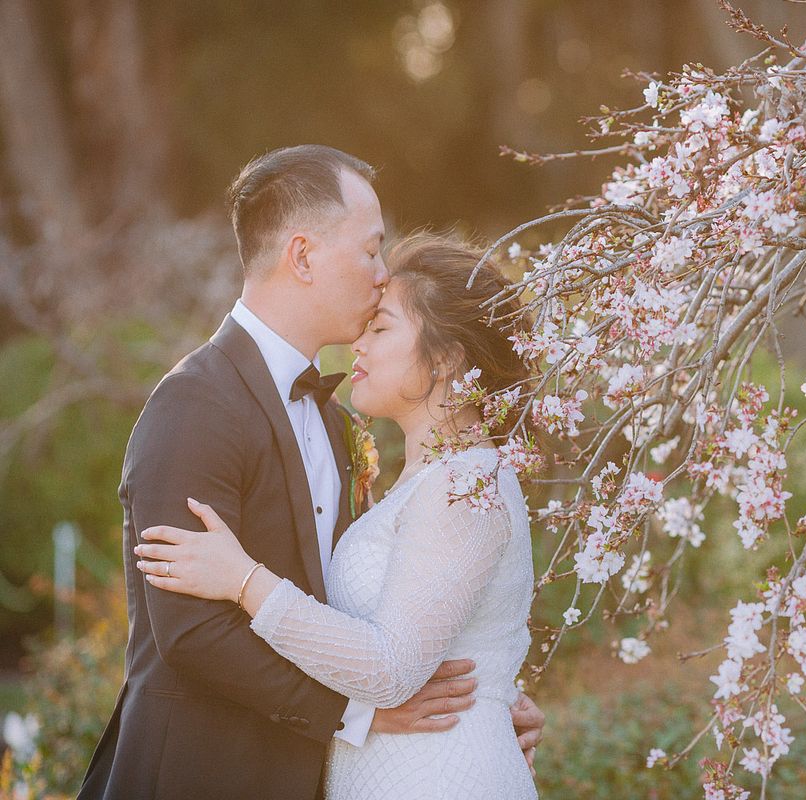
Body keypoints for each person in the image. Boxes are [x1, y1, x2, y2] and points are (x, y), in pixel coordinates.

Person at [78, 147, 544, 800]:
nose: (382, 274)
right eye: (371, 250)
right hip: (201, 774)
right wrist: (359, 716)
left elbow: (393, 606)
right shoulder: (194, 402)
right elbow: (188, 631)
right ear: (302, 256)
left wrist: (488, 697)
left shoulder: (337, 425)